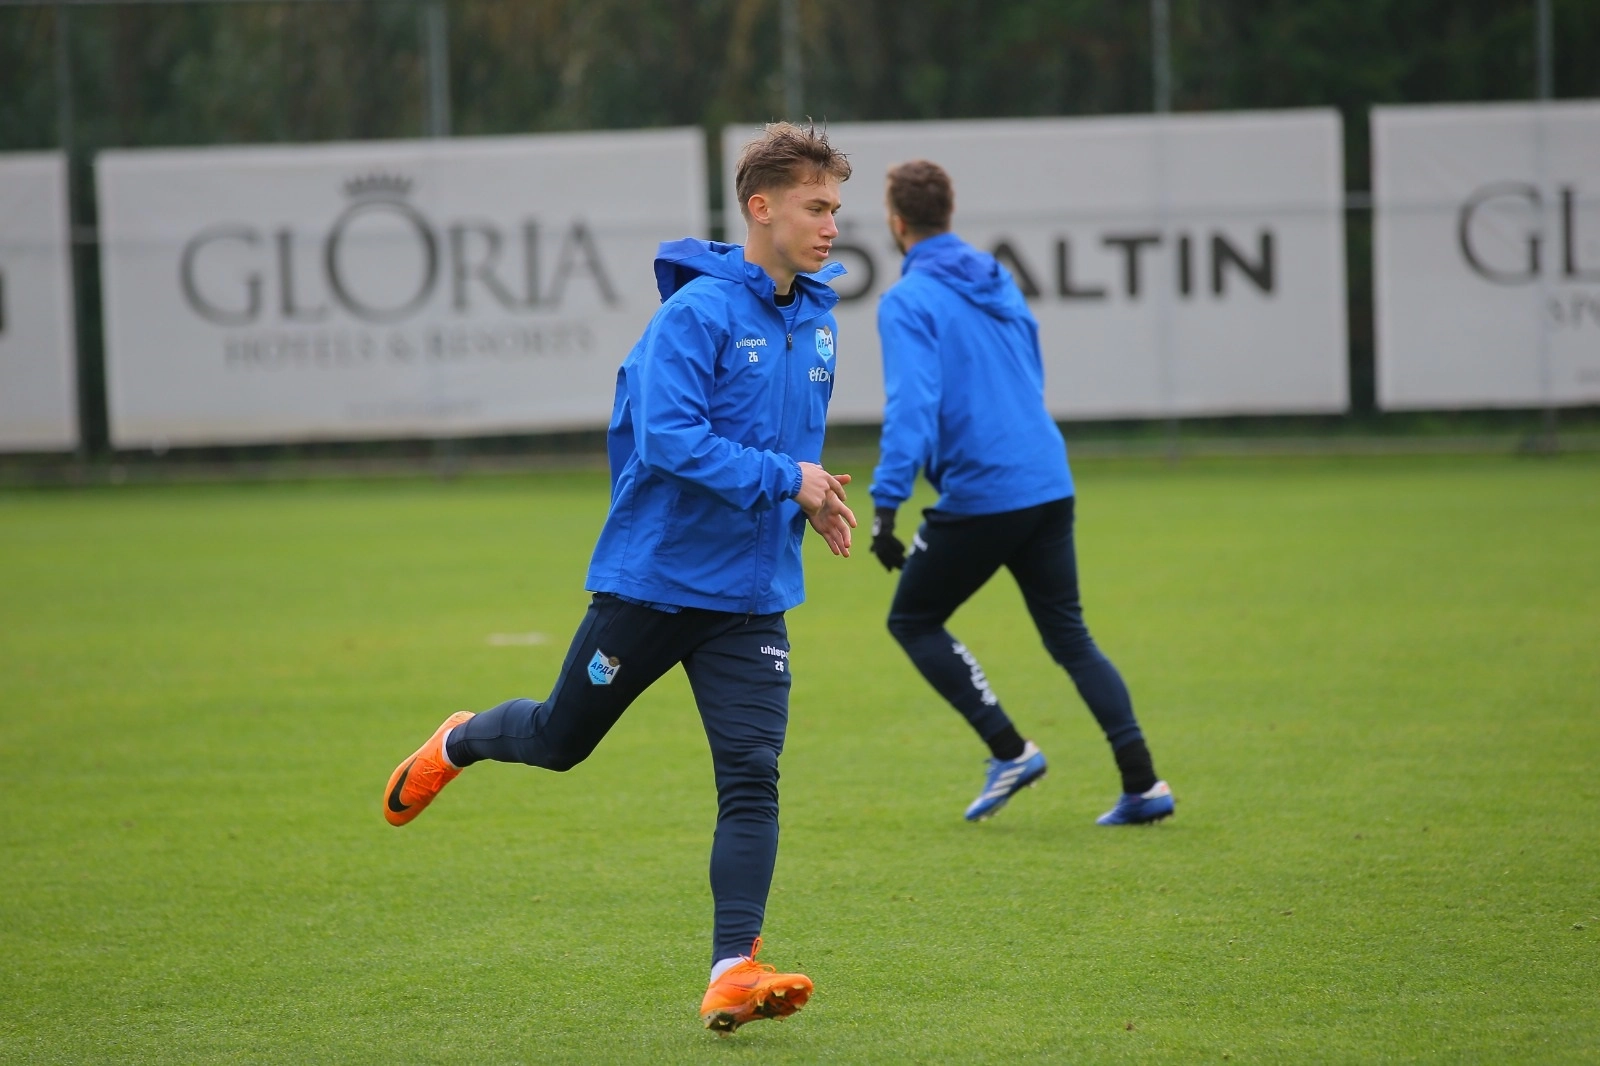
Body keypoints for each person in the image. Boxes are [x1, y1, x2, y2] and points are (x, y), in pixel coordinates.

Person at [381, 122, 856, 1033]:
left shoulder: (819, 320)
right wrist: (783, 478)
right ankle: (458, 741)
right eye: (816, 207)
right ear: (761, 208)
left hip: (751, 597)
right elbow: (669, 442)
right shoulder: (696, 316)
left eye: (836, 208)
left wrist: (811, 497)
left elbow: (784, 449)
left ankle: (733, 969)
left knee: (752, 776)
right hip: (657, 584)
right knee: (559, 741)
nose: (833, 226)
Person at [866, 159, 1175, 827]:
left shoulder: (907, 300)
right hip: (1046, 476)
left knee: (912, 621)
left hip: (987, 489)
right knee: (1071, 638)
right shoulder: (995, 275)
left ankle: (1010, 750)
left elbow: (912, 405)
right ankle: (1143, 783)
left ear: (896, 222)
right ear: (948, 213)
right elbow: (1031, 364)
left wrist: (886, 507)